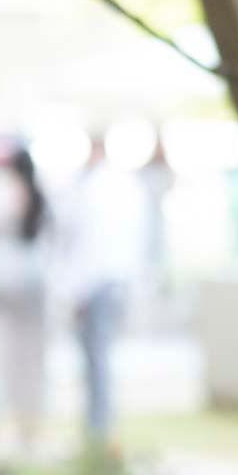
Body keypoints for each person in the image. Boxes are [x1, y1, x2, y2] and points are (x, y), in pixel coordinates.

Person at [60, 133, 148, 450]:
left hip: (96, 284)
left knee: (96, 361)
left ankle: (98, 430)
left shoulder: (92, 190)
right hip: (117, 281)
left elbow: (86, 245)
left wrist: (74, 293)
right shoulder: (127, 186)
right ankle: (99, 428)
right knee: (100, 360)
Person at [0, 146, 52, 452]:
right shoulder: (40, 197)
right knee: (29, 360)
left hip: (0, 285)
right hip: (32, 285)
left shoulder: (0, 195)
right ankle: (28, 427)